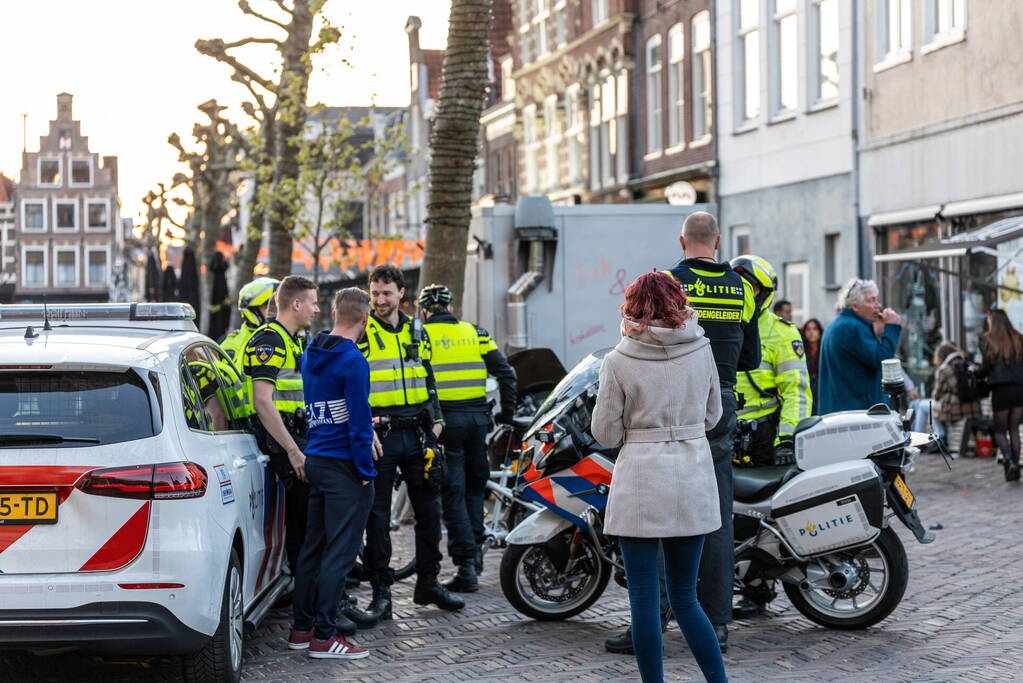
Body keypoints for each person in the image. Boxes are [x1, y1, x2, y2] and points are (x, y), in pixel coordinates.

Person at [605, 211, 759, 655]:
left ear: (682, 240)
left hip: (660, 399)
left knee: (648, 514)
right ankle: (716, 622)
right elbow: (750, 358)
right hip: (716, 400)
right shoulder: (742, 287)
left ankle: (648, 622)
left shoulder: (669, 281)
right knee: (712, 513)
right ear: (718, 241)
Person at [592, 271, 728, 683]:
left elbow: (606, 433)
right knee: (687, 599)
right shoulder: (701, 349)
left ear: (631, 309)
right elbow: (713, 416)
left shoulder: (618, 360)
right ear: (678, 304)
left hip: (640, 481)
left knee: (644, 600)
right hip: (691, 476)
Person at [359, 265, 465, 621]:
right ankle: (382, 592)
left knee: (430, 513)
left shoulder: (418, 330)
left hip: (419, 435)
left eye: (387, 293)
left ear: (402, 294)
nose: (380, 300)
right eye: (375, 293)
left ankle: (429, 583)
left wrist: (437, 420)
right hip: (381, 435)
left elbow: (430, 379)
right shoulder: (362, 332)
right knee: (377, 517)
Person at [288, 288, 378, 659]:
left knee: (313, 549)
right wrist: (365, 470)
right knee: (339, 554)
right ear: (365, 319)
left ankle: (301, 628)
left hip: (317, 459)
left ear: (335, 312)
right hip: (344, 465)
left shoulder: (312, 353)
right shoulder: (352, 360)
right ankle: (325, 637)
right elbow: (358, 421)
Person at [418, 284, 517, 592]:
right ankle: (475, 560)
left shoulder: (421, 336)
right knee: (475, 490)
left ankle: (465, 567)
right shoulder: (476, 332)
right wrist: (507, 414)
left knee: (453, 494)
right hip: (478, 423)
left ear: (423, 311)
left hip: (444, 424)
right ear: (451, 307)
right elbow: (506, 373)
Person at [731, 256, 812, 618]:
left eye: (753, 288)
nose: (746, 294)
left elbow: (796, 391)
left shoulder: (781, 332)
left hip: (764, 433)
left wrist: (787, 438)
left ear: (764, 294)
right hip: (726, 430)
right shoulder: (722, 324)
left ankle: (758, 586)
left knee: (761, 513)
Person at [243, 275, 318, 584]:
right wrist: (293, 451)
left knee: (311, 527)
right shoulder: (269, 340)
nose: (316, 310)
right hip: (286, 444)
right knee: (306, 530)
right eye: (313, 303)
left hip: (299, 437)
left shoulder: (291, 340)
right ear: (296, 304)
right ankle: (311, 608)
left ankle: (320, 601)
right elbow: (262, 402)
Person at [817, 278, 902, 413]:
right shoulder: (853, 327)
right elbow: (881, 359)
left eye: (877, 299)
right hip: (858, 415)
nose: (878, 305)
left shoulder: (840, 324)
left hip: (843, 411)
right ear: (855, 306)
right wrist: (892, 327)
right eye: (871, 300)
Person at [977, 308, 1023, 481]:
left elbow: (985, 369)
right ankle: (1016, 468)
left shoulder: (987, 339)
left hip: (1001, 389)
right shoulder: (1019, 337)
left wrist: (975, 371)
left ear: (991, 321)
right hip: (1020, 388)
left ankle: (1009, 462)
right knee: (1014, 429)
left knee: (1000, 431)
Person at [930, 343, 981, 457]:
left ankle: (939, 438)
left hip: (953, 409)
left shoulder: (944, 369)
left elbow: (937, 395)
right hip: (973, 407)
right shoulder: (968, 364)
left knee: (926, 407)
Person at [221, 277, 280, 365]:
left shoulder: (290, 336)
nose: (276, 313)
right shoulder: (233, 345)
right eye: (268, 308)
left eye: (278, 308)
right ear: (253, 310)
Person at [801, 318, 824, 410]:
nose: (811, 332)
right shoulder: (800, 350)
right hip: (806, 390)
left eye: (815, 329)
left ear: (819, 331)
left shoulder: (824, 348)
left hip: (822, 391)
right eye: (808, 329)